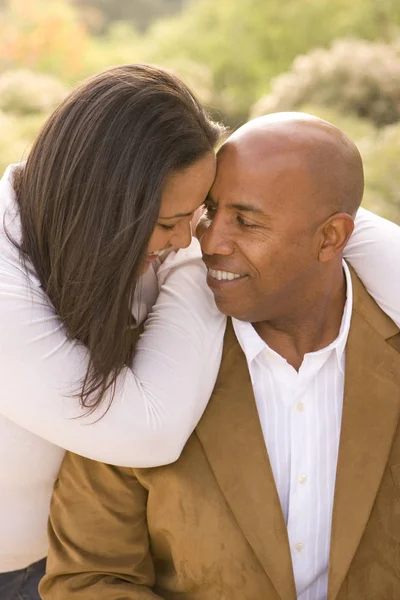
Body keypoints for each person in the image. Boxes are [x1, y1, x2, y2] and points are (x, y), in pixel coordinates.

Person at [41, 113, 400, 600]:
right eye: (210, 211)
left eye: (246, 222)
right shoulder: (131, 373)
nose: (208, 242)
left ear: (331, 237)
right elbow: (89, 578)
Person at [0, 63, 227, 599]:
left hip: (62, 560)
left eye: (195, 218)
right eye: (170, 223)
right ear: (106, 203)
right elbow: (148, 430)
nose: (187, 239)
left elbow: (331, 213)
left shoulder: (106, 245)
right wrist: (202, 269)